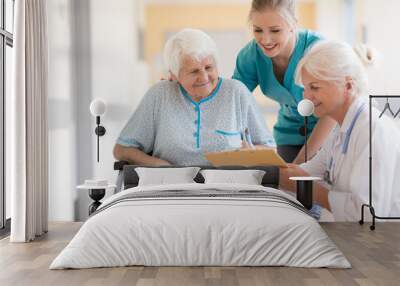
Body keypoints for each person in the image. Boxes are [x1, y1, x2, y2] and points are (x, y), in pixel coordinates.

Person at [113, 28, 275, 166]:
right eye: (194, 71)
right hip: (169, 189)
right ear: (174, 75)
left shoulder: (236, 92)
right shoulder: (160, 95)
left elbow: (270, 149)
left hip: (229, 190)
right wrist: (158, 165)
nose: (204, 77)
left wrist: (251, 153)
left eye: (208, 67)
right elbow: (122, 149)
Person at [279, 40, 400, 221]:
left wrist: (303, 187)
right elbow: (307, 172)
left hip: (379, 243)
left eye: (315, 87)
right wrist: (268, 167)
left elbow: (367, 214)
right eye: (305, 88)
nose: (306, 97)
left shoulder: (374, 130)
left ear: (348, 85)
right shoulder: (340, 130)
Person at [233, 0, 336, 163]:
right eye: (258, 30)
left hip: (329, 132)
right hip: (288, 134)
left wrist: (300, 162)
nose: (265, 40)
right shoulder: (250, 56)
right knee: (282, 184)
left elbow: (333, 110)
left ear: (293, 24)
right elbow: (234, 102)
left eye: (275, 30)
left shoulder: (318, 48)